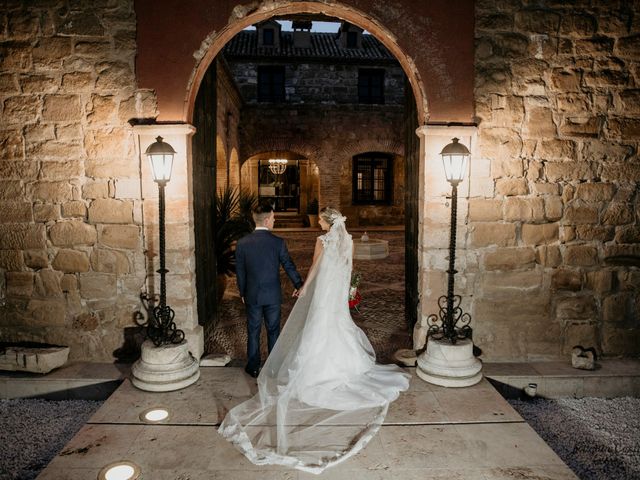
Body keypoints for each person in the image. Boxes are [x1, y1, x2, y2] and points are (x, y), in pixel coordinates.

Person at [219, 207, 410, 474]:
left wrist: (305, 286)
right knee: (331, 326)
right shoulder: (347, 240)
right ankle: (300, 363)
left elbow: (314, 266)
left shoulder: (319, 241)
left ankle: (265, 366)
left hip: (310, 291)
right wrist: (344, 288)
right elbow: (348, 266)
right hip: (335, 291)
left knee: (286, 329)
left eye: (320, 219)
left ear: (327, 221)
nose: (317, 222)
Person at [235, 201, 303, 378]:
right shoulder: (277, 243)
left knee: (253, 330)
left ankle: (253, 367)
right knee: (273, 331)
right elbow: (288, 265)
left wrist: (242, 292)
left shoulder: (242, 243)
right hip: (272, 296)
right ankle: (273, 367)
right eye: (273, 218)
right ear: (266, 221)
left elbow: (240, 271)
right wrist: (298, 284)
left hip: (252, 295)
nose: (274, 220)